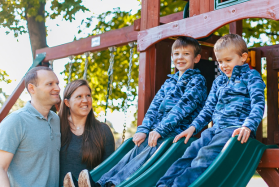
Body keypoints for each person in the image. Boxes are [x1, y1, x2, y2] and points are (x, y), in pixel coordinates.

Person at [72, 36, 208, 187]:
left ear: (196, 58)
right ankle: (100, 183)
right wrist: (144, 129)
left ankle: (113, 183)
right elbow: (154, 107)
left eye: (186, 54)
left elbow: (181, 109)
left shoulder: (197, 81)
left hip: (175, 136)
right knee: (134, 150)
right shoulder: (170, 81)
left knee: (147, 152)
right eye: (176, 54)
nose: (180, 58)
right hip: (159, 133)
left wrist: (159, 130)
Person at [156, 34, 266, 187]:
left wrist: (248, 126)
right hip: (215, 130)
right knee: (189, 153)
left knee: (204, 156)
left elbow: (258, 104)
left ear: (243, 57)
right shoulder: (219, 81)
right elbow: (208, 109)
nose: (223, 65)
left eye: (228, 60)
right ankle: (163, 185)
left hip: (235, 130)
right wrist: (192, 128)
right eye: (220, 61)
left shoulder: (251, 77)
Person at [0, 66, 61, 187]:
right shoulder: (15, 121)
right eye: (50, 84)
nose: (57, 88)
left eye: (57, 83)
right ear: (32, 88)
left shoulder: (55, 119)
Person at [60, 79, 115, 186]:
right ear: (67, 103)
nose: (85, 100)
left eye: (88, 96)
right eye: (79, 96)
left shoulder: (103, 130)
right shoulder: (56, 128)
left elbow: (110, 169)